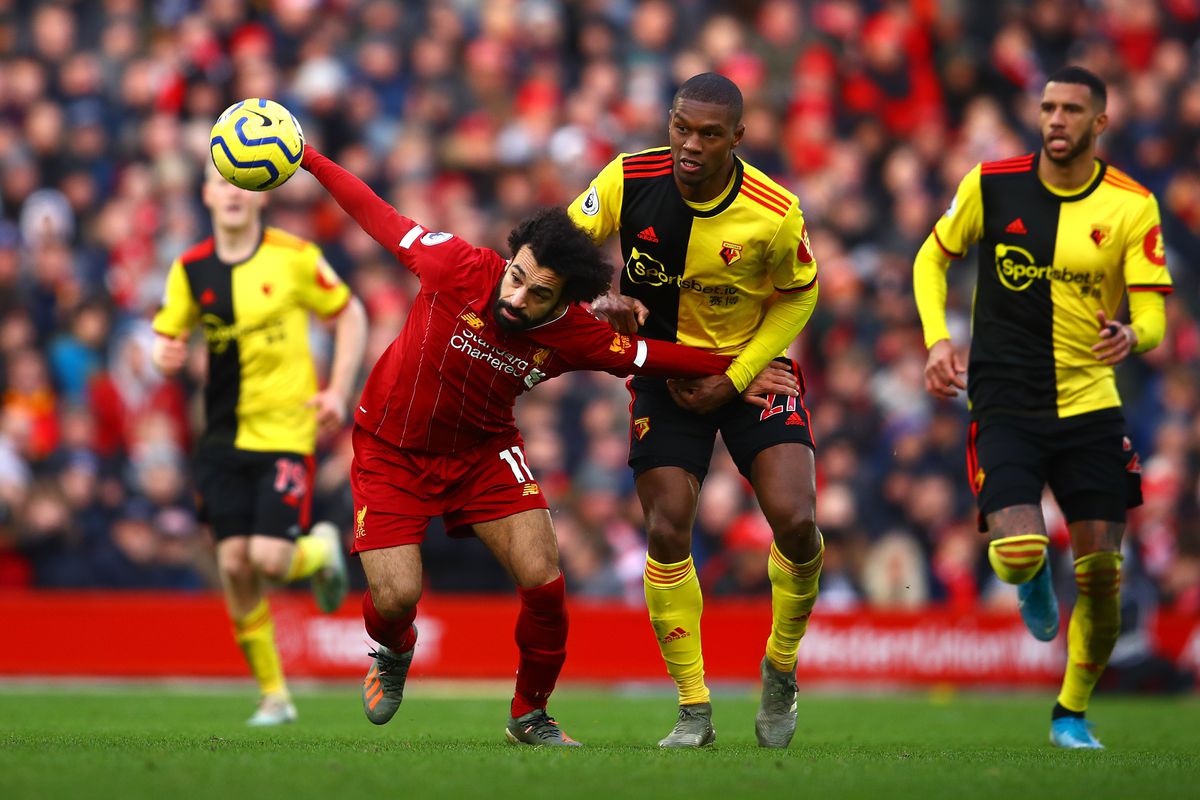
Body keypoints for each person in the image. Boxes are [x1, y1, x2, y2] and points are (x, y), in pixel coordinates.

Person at [298, 142, 798, 747]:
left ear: (564, 300)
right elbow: (375, 213)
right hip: (392, 448)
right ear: (511, 258)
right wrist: (310, 158)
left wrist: (740, 368)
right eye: (517, 277)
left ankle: (529, 714)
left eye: (539, 294)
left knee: (544, 580)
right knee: (397, 596)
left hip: (484, 452)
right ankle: (394, 649)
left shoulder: (576, 334)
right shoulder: (455, 266)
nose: (516, 299)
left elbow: (654, 355)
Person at [913, 66, 1172, 749]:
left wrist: (1133, 335)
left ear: (1100, 122)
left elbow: (1153, 314)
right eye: (1049, 107)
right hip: (1004, 398)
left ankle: (1071, 713)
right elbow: (929, 260)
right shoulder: (991, 183)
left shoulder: (1132, 204)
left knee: (1103, 577)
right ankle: (1030, 582)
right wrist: (937, 339)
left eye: (1072, 110)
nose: (1056, 119)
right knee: (1019, 552)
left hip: (1090, 404)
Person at [568, 72, 822, 749]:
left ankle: (781, 666)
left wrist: (734, 377)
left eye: (709, 134)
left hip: (749, 371)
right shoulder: (627, 178)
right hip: (665, 376)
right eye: (681, 128)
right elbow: (558, 247)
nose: (690, 144)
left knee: (798, 522)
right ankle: (693, 708)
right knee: (666, 528)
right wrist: (599, 297)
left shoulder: (775, 210)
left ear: (737, 137)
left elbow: (801, 293)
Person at [152, 162, 369, 725]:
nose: (230, 192)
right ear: (205, 194)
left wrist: (338, 389)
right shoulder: (190, 269)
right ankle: (274, 695)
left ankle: (319, 550)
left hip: (285, 433)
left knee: (267, 559)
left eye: (240, 182)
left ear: (261, 194)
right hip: (221, 436)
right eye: (219, 181)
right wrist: (164, 355)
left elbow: (350, 313)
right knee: (233, 566)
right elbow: (166, 338)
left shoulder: (294, 257)